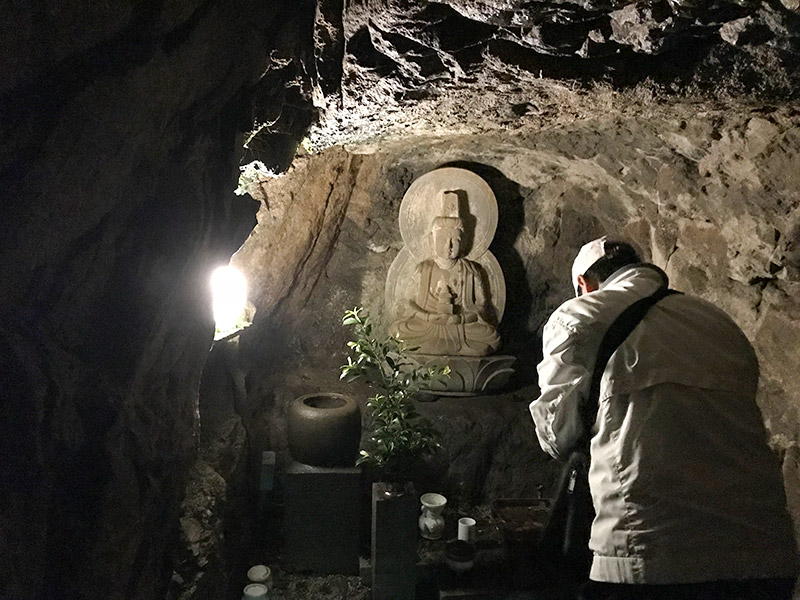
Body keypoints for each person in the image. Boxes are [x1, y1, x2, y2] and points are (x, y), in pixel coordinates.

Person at [530, 236, 799, 600]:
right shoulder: (717, 321)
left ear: (584, 285)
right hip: (761, 549)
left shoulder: (578, 316)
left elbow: (556, 436)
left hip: (649, 552)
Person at [390, 193, 499, 356]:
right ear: (431, 240)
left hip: (460, 326)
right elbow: (408, 302)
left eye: (455, 240)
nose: (449, 245)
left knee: (491, 335)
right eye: (442, 239)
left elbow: (483, 306)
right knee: (397, 331)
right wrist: (427, 317)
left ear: (464, 243)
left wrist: (461, 319)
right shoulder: (423, 269)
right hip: (427, 325)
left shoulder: (471, 271)